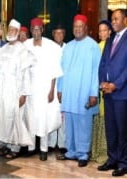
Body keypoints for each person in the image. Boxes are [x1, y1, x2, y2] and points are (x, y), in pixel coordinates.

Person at [57, 14, 101, 167]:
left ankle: (83, 153)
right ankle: (71, 151)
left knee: (83, 122)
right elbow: (61, 70)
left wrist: (93, 93)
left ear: (86, 28)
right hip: (69, 93)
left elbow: (97, 71)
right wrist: (60, 89)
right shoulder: (68, 46)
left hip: (84, 93)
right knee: (69, 122)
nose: (77, 29)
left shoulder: (93, 46)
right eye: (75, 27)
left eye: (80, 27)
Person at [0, 19, 35, 159]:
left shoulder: (22, 50)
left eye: (13, 30)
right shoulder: (2, 49)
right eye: (9, 30)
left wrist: (23, 94)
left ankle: (15, 148)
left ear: (17, 32)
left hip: (15, 91)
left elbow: (26, 74)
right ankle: (6, 146)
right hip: (1, 91)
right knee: (3, 118)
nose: (10, 32)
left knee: (15, 119)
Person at [24, 18, 63, 161]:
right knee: (31, 118)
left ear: (42, 30)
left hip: (45, 87)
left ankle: (44, 149)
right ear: (30, 30)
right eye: (33, 29)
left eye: (38, 29)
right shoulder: (26, 45)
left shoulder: (51, 46)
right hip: (30, 88)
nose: (35, 31)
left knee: (43, 118)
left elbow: (54, 70)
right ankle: (31, 147)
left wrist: (52, 89)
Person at [98, 9, 127, 177]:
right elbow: (103, 64)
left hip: (122, 93)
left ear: (125, 20)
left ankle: (124, 163)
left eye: (116, 19)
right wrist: (103, 82)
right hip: (107, 93)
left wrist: (115, 85)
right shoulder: (109, 41)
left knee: (122, 130)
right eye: (112, 19)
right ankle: (112, 159)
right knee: (111, 129)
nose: (113, 22)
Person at [91, 20, 113, 164]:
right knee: (99, 118)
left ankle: (108, 154)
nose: (101, 33)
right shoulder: (96, 47)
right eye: (99, 31)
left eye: (104, 30)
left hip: (110, 90)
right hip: (97, 89)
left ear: (110, 32)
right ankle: (97, 151)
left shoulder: (114, 47)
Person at [48, 24, 67, 159]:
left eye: (61, 33)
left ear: (64, 34)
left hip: (64, 86)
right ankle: (50, 143)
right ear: (53, 34)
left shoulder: (69, 48)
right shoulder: (48, 47)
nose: (59, 36)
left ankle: (62, 145)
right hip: (51, 87)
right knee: (51, 114)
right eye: (56, 33)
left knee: (63, 117)